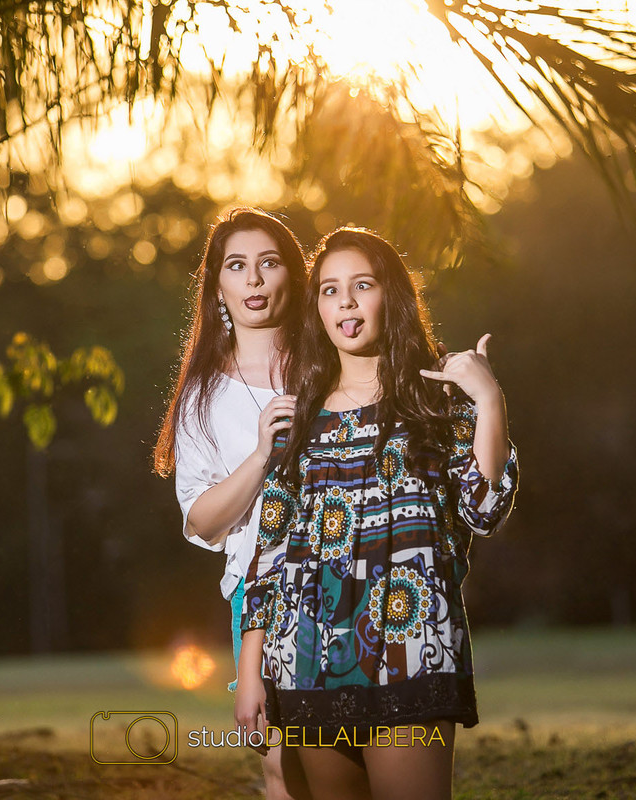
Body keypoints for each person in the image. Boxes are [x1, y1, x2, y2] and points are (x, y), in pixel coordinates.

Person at [236, 228, 519, 800]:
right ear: (317, 309)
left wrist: (490, 400)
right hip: (307, 657)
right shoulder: (296, 418)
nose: (345, 301)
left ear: (392, 294)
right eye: (329, 290)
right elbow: (269, 553)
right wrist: (249, 673)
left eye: (362, 285)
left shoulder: (437, 399)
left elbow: (485, 508)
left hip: (411, 652)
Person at [153, 207, 311, 800]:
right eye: (237, 266)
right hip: (261, 588)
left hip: (347, 571)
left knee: (354, 750)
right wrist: (261, 457)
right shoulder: (203, 395)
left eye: (269, 263)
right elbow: (201, 520)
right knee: (282, 764)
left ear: (292, 275)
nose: (254, 279)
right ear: (217, 285)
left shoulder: (329, 364)